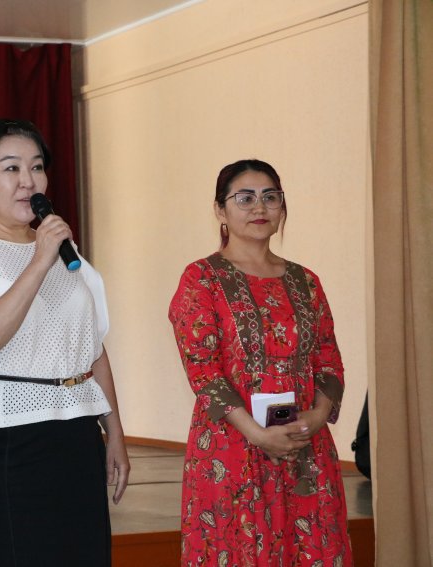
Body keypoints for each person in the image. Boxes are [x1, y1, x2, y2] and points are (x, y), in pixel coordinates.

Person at [0, 119, 130, 567]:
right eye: (11, 168)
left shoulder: (68, 255)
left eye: (36, 167)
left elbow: (92, 347)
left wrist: (114, 432)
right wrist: (39, 260)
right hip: (8, 437)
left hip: (78, 431)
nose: (28, 181)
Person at [168, 159, 353, 566]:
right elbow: (203, 369)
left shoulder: (306, 281)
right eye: (245, 198)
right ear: (220, 210)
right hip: (233, 447)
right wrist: (257, 434)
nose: (259, 207)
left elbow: (327, 358)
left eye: (271, 197)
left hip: (304, 444)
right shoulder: (201, 279)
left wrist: (316, 417)